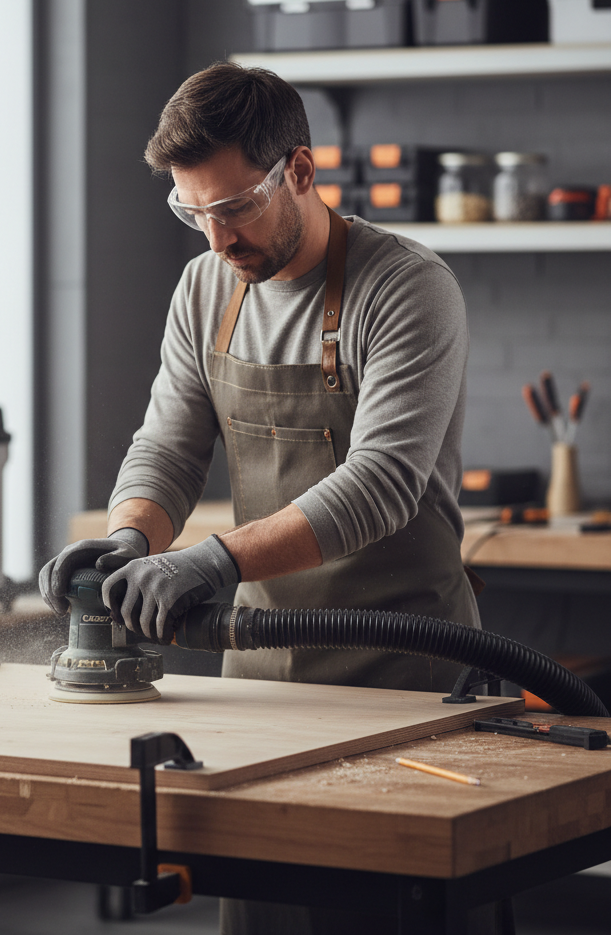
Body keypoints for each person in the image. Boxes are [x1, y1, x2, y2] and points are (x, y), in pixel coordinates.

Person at [39, 62, 500, 932]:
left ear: (299, 170)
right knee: (269, 911)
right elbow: (169, 443)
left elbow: (384, 483)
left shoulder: (405, 287)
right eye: (192, 211)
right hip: (260, 670)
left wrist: (212, 560)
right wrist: (131, 538)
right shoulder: (206, 289)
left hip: (404, 671)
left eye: (234, 206)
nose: (216, 238)